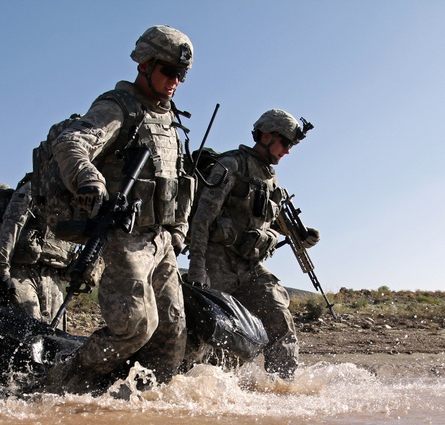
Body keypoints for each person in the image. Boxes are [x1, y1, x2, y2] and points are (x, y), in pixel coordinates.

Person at [44, 25, 196, 393]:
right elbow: (71, 143)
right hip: (123, 237)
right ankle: (60, 382)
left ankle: (144, 397)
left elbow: (177, 182)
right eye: (168, 71)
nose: (175, 80)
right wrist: (89, 180)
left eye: (182, 75)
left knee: (173, 330)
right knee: (134, 326)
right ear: (144, 64)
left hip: (160, 239)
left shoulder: (170, 123)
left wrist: (177, 231)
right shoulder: (118, 108)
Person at [185, 110, 318, 380]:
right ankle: (190, 387)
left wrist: (300, 236)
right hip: (216, 261)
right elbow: (202, 219)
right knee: (208, 335)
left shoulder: (271, 178)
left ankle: (282, 388)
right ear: (267, 136)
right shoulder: (232, 165)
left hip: (251, 266)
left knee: (279, 317)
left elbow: (268, 222)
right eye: (286, 144)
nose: (288, 152)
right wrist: (197, 267)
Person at [0, 176, 75, 322]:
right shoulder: (34, 189)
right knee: (27, 331)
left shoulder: (75, 195)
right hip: (23, 273)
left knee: (56, 335)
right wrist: (2, 271)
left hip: (52, 274)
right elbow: (11, 227)